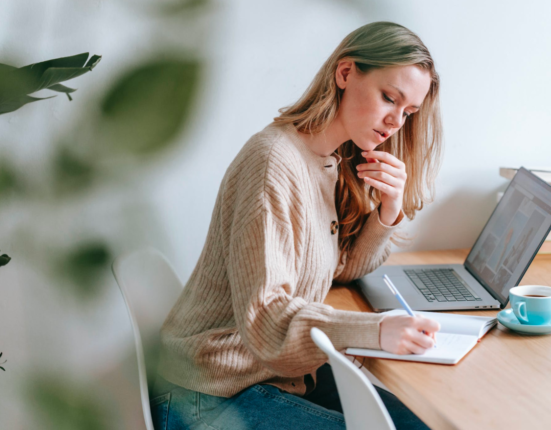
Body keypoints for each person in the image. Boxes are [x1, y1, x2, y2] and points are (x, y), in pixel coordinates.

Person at [151, 21, 444, 429]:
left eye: (408, 111)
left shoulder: (328, 161)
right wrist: (376, 330)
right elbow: (267, 319)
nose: (396, 121)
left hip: (272, 375)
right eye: (388, 98)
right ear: (345, 74)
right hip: (207, 393)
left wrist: (388, 210)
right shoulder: (273, 161)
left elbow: (341, 270)